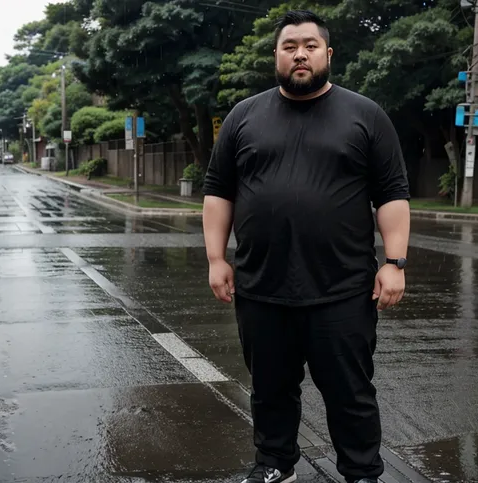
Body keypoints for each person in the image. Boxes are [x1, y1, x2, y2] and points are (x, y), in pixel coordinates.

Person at [202, 9, 411, 483]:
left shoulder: (365, 115)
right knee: (271, 389)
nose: (300, 53)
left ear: (328, 54)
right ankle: (275, 464)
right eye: (289, 46)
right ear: (276, 55)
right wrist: (216, 258)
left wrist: (394, 262)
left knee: (349, 390)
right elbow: (219, 193)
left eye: (310, 46)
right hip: (262, 285)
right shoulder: (243, 116)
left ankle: (361, 472)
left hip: (343, 287)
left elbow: (392, 194)